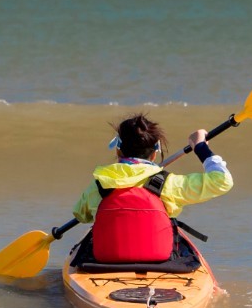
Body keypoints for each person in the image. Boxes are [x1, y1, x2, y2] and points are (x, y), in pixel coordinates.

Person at [71, 113, 232, 264]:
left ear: (118, 149)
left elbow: (81, 214)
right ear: (155, 153)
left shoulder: (100, 184)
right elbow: (222, 181)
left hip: (108, 258)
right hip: (159, 258)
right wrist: (200, 147)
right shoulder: (169, 184)